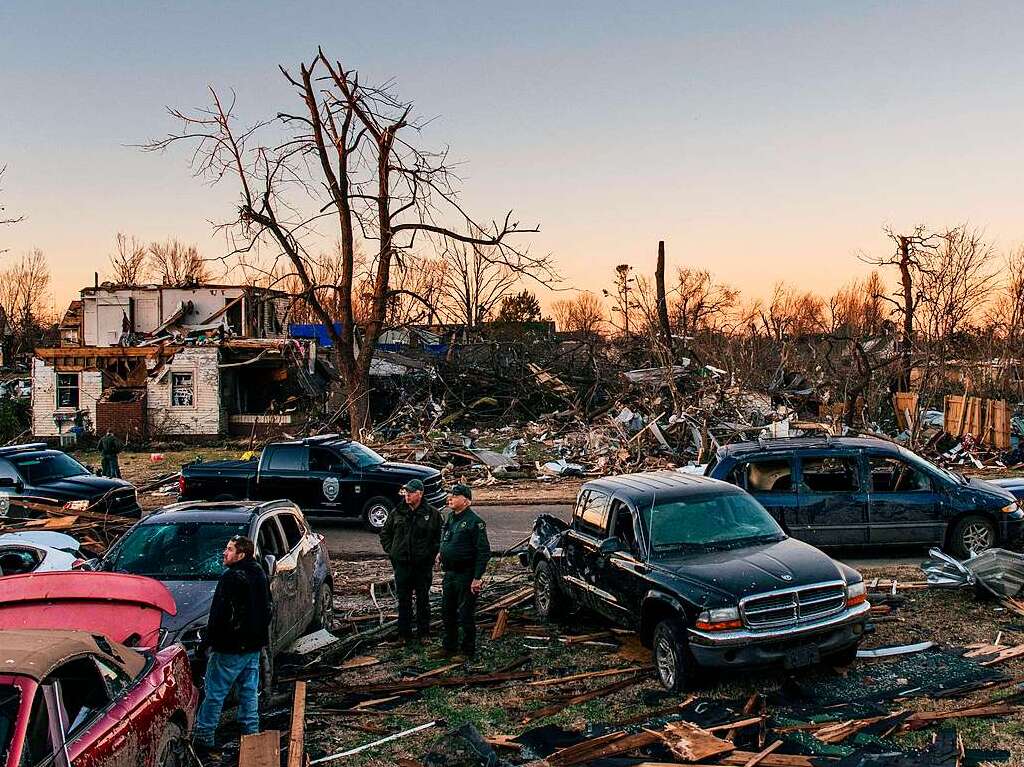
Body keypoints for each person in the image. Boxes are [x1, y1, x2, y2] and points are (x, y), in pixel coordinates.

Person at [192, 535, 272, 755]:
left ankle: (204, 736)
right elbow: (267, 608)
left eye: (228, 549)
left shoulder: (231, 577)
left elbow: (218, 615)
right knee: (249, 690)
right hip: (253, 645)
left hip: (229, 647)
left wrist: (205, 645)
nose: (224, 553)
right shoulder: (258, 573)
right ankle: (251, 733)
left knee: (215, 693)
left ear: (241, 554)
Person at [380, 478, 443, 645]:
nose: (406, 495)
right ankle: (403, 636)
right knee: (403, 601)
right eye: (405, 493)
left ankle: (424, 634)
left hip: (422, 566)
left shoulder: (432, 514)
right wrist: (392, 551)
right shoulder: (397, 512)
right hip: (402, 565)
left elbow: (439, 538)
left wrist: (431, 555)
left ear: (420, 494)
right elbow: (385, 533)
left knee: (423, 600)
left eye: (410, 492)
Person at [436, 484, 491, 660]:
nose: (450, 499)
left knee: (465, 613)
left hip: (466, 574)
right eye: (450, 495)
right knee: (447, 611)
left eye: (455, 496)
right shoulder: (451, 518)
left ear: (466, 501)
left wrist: (477, 578)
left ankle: (467, 650)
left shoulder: (475, 522)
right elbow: (447, 539)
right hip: (450, 573)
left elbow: (483, 552)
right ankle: (449, 646)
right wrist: (441, 553)